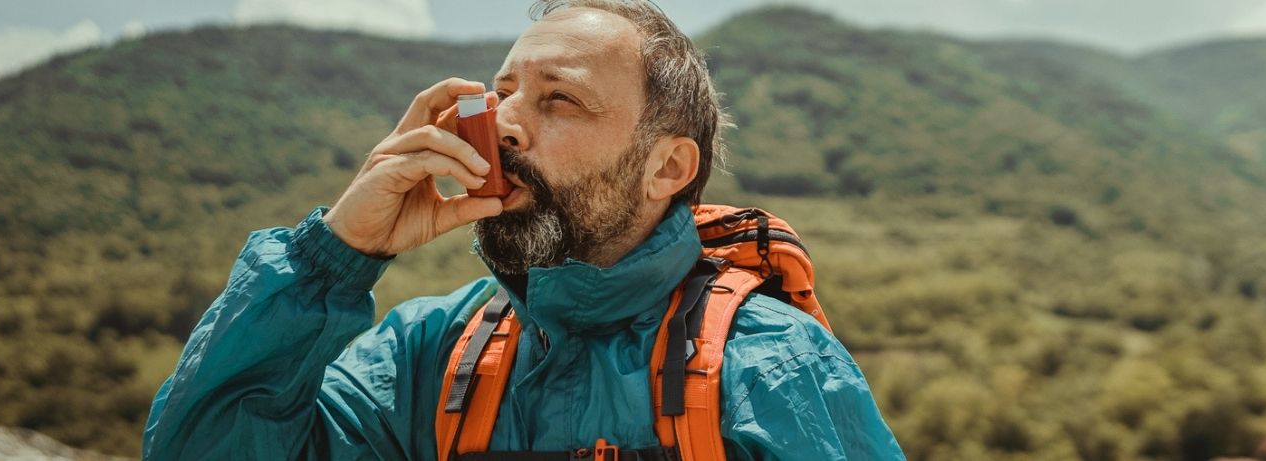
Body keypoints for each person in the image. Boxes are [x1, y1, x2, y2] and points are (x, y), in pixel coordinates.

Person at [139, 1, 904, 459]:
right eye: (499, 94)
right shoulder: (426, 354)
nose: (500, 125)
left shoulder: (771, 366)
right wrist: (336, 254)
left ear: (666, 168)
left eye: (559, 100)